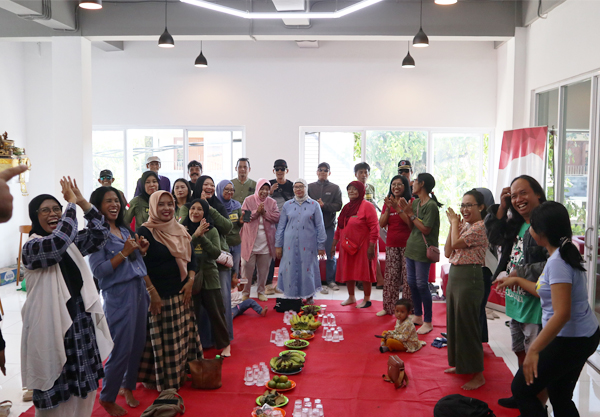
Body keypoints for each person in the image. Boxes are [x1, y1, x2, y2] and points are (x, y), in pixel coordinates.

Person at [497, 202, 600, 417]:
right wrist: (516, 280)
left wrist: (534, 350)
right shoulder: (562, 253)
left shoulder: (558, 262)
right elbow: (544, 290)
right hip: (581, 336)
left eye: (532, 227)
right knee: (560, 395)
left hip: (572, 339)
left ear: (541, 232)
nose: (529, 231)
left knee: (521, 389)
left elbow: (562, 313)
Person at [21, 177, 113, 417]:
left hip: (79, 322)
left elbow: (100, 234)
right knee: (56, 391)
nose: (53, 213)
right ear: (34, 216)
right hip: (51, 328)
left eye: (56, 209)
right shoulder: (33, 247)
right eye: (45, 210)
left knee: (83, 390)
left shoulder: (69, 243)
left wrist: (82, 202)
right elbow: (57, 243)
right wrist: (70, 205)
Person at [89, 186, 155, 416]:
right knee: (121, 347)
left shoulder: (123, 230)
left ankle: (127, 386)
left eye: (116, 200)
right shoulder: (97, 235)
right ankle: (107, 396)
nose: (114, 205)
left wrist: (140, 251)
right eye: (108, 201)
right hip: (118, 295)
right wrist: (125, 253)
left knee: (137, 344)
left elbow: (133, 261)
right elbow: (99, 271)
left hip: (138, 290)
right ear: (98, 207)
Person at [485, 175, 548, 409]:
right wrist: (501, 208)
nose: (518, 199)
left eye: (523, 193)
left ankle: (537, 407)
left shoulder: (546, 225)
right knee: (520, 351)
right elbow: (492, 238)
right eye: (513, 196)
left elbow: (552, 263)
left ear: (538, 194)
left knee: (536, 360)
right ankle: (522, 394)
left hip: (536, 304)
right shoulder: (516, 223)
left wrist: (518, 273)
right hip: (516, 301)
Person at [136, 191, 202, 391]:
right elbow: (139, 265)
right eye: (161, 204)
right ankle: (166, 381)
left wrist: (190, 281)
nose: (166, 208)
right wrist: (152, 292)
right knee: (166, 342)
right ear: (153, 206)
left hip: (181, 294)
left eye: (170, 204)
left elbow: (193, 260)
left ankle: (181, 373)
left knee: (181, 339)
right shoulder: (145, 231)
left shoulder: (180, 229)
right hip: (159, 297)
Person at [443, 190, 489, 391]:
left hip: (470, 276)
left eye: (469, 205)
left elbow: (456, 244)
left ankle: (478, 375)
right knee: (455, 322)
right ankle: (461, 364)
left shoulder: (480, 226)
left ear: (481, 207)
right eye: (463, 205)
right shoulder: (465, 226)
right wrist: (452, 225)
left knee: (468, 325)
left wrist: (455, 223)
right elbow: (448, 251)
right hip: (455, 274)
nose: (464, 209)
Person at [183, 199, 231, 357]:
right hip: (189, 278)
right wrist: (195, 235)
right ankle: (191, 348)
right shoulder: (182, 228)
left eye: (200, 209)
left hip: (210, 276)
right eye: (193, 208)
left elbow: (216, 253)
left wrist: (202, 237)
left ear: (205, 213)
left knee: (216, 312)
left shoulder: (212, 230)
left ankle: (225, 345)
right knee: (192, 315)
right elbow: (181, 250)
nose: (195, 212)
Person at [399, 173, 442, 335]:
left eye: (415, 181)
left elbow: (426, 229)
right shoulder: (416, 202)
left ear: (422, 184)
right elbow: (412, 226)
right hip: (412, 248)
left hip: (423, 250)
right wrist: (404, 211)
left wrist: (410, 214)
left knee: (422, 284)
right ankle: (417, 315)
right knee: (412, 283)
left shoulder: (431, 206)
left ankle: (428, 321)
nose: (412, 183)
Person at [275, 179, 327, 304]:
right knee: (290, 268)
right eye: (295, 187)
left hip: (308, 244)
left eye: (301, 186)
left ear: (306, 187)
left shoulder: (314, 205)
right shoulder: (287, 205)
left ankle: (309, 296)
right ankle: (292, 297)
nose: (298, 189)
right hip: (289, 244)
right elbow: (281, 226)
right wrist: (278, 245)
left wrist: (321, 245)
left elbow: (320, 227)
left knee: (307, 269)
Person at [332, 181, 379, 308]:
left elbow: (374, 227)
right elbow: (339, 227)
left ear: (361, 191)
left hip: (363, 246)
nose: (351, 191)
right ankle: (351, 297)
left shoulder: (367, 206)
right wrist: (334, 244)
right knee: (348, 271)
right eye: (349, 189)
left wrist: (372, 246)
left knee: (364, 272)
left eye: (354, 189)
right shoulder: (347, 207)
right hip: (346, 246)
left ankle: (367, 299)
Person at [377, 175, 413, 317]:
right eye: (393, 184)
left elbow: (410, 223)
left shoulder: (410, 201)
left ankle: (408, 310)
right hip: (391, 244)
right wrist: (388, 208)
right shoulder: (388, 202)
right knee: (391, 277)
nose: (396, 187)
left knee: (408, 279)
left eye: (399, 184)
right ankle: (388, 308)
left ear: (405, 187)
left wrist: (397, 208)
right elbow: (382, 224)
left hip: (408, 245)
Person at [240, 179, 280, 301]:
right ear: (257, 188)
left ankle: (261, 291)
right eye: (262, 189)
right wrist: (256, 212)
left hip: (266, 243)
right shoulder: (248, 200)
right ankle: (245, 293)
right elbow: (245, 218)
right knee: (246, 269)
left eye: (267, 189)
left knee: (264, 271)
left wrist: (265, 212)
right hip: (249, 242)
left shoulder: (272, 202)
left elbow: (277, 217)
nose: (264, 191)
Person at [307, 162, 343, 294]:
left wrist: (324, 205)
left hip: (328, 226)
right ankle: (312, 280)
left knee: (330, 254)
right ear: (317, 172)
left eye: (325, 170)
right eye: (320, 170)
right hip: (312, 227)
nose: (322, 172)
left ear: (329, 173)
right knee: (311, 254)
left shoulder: (335, 188)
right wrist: (315, 206)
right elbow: (304, 203)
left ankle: (331, 280)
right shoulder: (309, 187)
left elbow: (338, 206)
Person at [473, 187, 498, 343]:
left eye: (472, 203)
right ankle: (480, 339)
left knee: (478, 306)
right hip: (478, 268)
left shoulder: (489, 223)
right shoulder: (475, 222)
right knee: (478, 307)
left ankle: (477, 341)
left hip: (485, 269)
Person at [266, 159, 294, 294]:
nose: (280, 171)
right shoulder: (269, 184)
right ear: (274, 171)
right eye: (277, 169)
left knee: (286, 253)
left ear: (286, 170)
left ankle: (283, 282)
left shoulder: (292, 186)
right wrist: (269, 193)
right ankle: (268, 283)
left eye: (282, 169)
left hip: (288, 223)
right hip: (272, 223)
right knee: (271, 253)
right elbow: (260, 200)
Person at [216, 180, 243, 282]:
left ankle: (232, 291)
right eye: (226, 189)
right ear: (220, 190)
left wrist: (241, 222)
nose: (229, 192)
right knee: (223, 273)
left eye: (232, 190)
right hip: (222, 245)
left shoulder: (236, 205)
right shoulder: (216, 206)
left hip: (236, 243)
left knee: (234, 273)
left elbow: (239, 224)